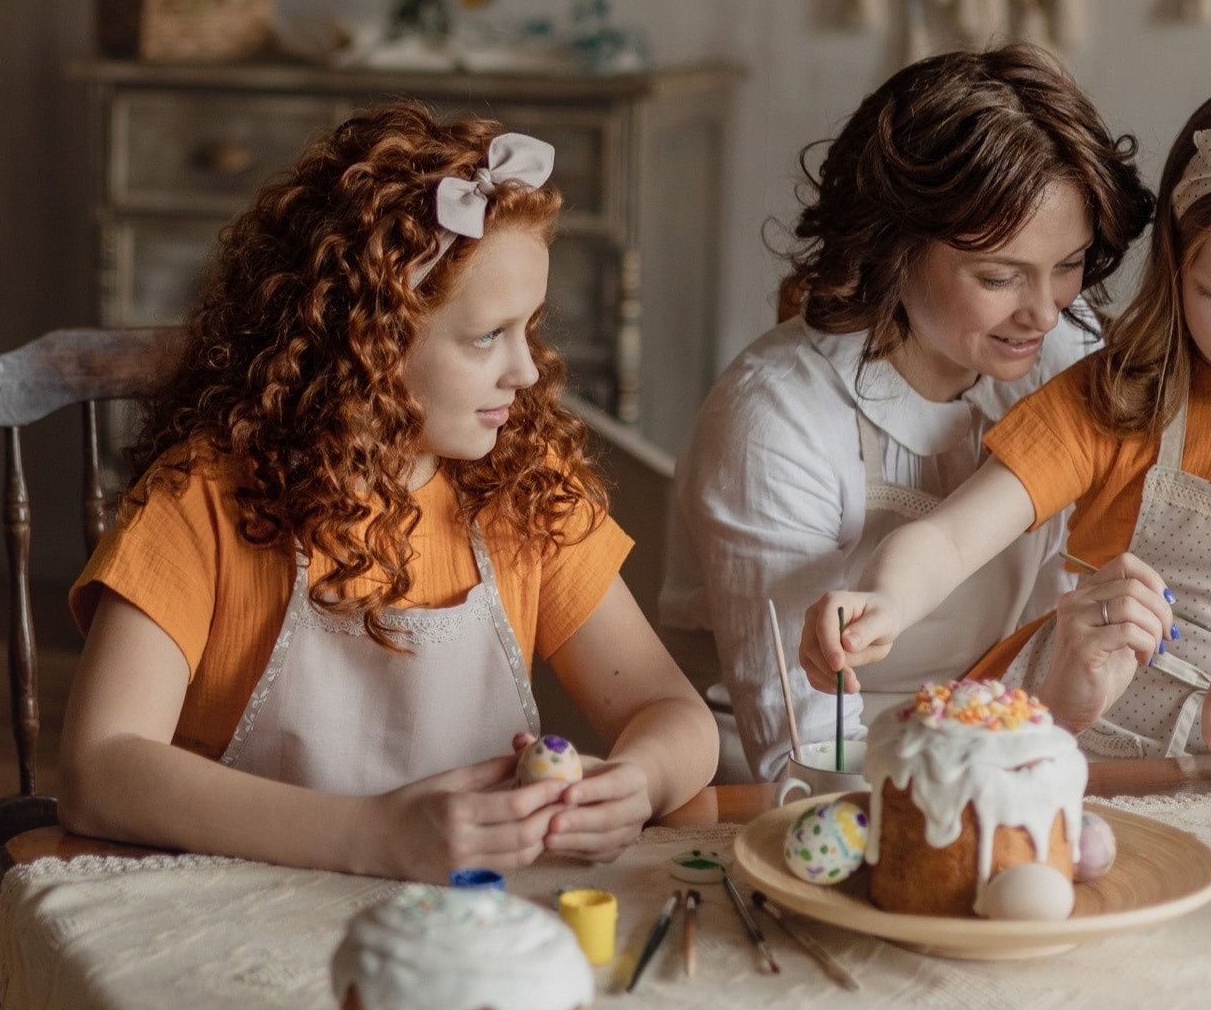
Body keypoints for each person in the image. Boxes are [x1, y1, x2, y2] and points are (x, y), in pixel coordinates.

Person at [55, 103, 718, 879]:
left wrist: (637, 783)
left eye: (529, 329)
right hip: (247, 929)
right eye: (486, 337)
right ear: (367, 340)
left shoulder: (524, 488)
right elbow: (99, 770)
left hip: (467, 936)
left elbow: (673, 715)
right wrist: (373, 835)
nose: (528, 371)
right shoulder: (203, 501)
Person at [800, 77, 1211, 784]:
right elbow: (950, 536)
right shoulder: (1126, 395)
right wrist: (887, 598)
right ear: (1176, 265)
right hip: (1069, 749)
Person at [662, 46, 1155, 779]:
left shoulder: (1065, 357)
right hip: (794, 782)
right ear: (894, 247)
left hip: (994, 740)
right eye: (999, 276)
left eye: (1069, 266)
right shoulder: (775, 419)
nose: (1046, 312)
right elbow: (802, 746)